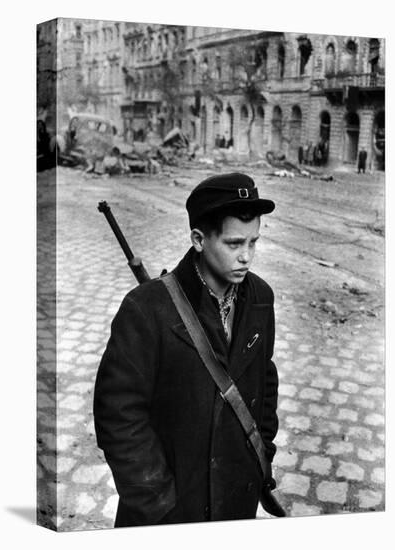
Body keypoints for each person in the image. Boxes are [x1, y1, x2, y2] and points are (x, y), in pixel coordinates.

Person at [94, 172, 280, 528]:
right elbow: (118, 413)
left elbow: (265, 380)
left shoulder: (260, 297)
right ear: (198, 239)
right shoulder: (146, 308)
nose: (246, 257)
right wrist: (156, 501)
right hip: (174, 510)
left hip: (236, 499)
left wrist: (263, 453)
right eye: (234, 243)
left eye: (253, 243)